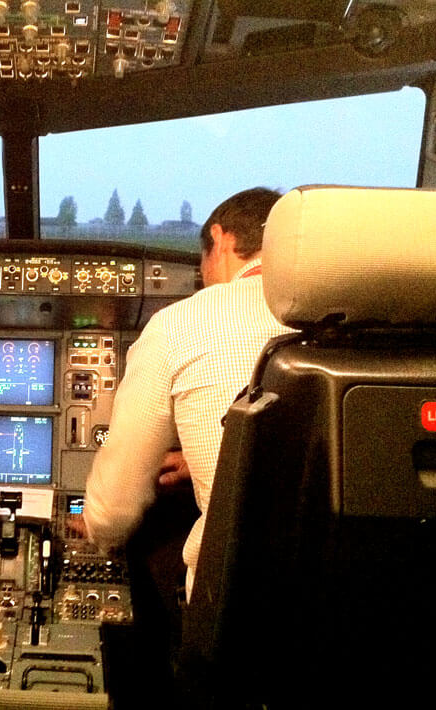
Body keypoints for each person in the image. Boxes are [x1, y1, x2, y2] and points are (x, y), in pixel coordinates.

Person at [78, 187, 292, 600]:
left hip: (234, 606)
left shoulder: (180, 324)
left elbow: (117, 502)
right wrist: (205, 459)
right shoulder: (352, 323)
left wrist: (96, 530)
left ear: (220, 239)